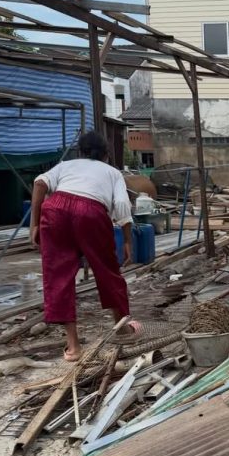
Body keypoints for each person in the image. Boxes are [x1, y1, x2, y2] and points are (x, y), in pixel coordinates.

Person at [30, 131, 140, 361]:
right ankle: (122, 328)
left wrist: (34, 225)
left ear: (80, 152)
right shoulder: (112, 173)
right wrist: (128, 240)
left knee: (58, 275)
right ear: (106, 155)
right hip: (90, 212)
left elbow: (39, 183)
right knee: (108, 272)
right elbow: (121, 203)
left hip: (55, 209)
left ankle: (73, 347)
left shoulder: (65, 165)